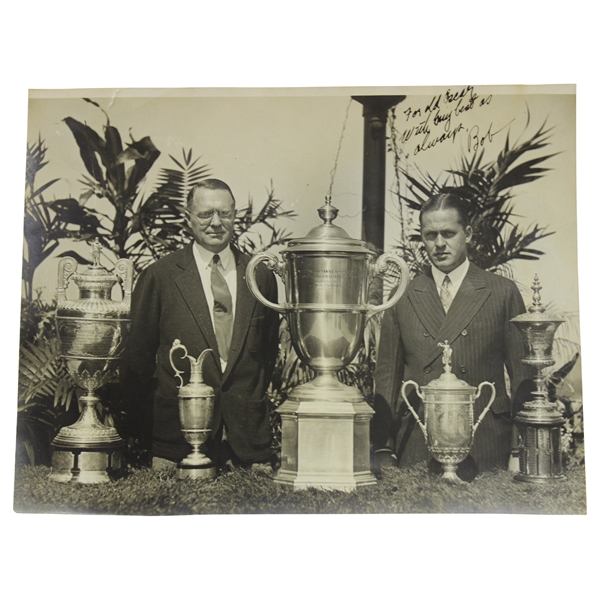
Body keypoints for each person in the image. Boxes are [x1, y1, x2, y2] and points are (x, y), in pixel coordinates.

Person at [120, 179, 279, 470]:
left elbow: (267, 354)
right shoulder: (161, 277)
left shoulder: (260, 276)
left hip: (249, 450)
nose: (216, 223)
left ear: (235, 215)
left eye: (225, 213)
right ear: (188, 219)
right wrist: (155, 436)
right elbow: (137, 363)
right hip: (176, 446)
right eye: (206, 214)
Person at [371, 193, 529, 476]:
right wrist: (382, 448)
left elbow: (523, 379)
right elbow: (386, 380)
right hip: (418, 445)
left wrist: (520, 450)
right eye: (430, 235)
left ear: (467, 233)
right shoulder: (403, 296)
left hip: (487, 444)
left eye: (448, 233)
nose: (439, 244)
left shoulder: (502, 292)